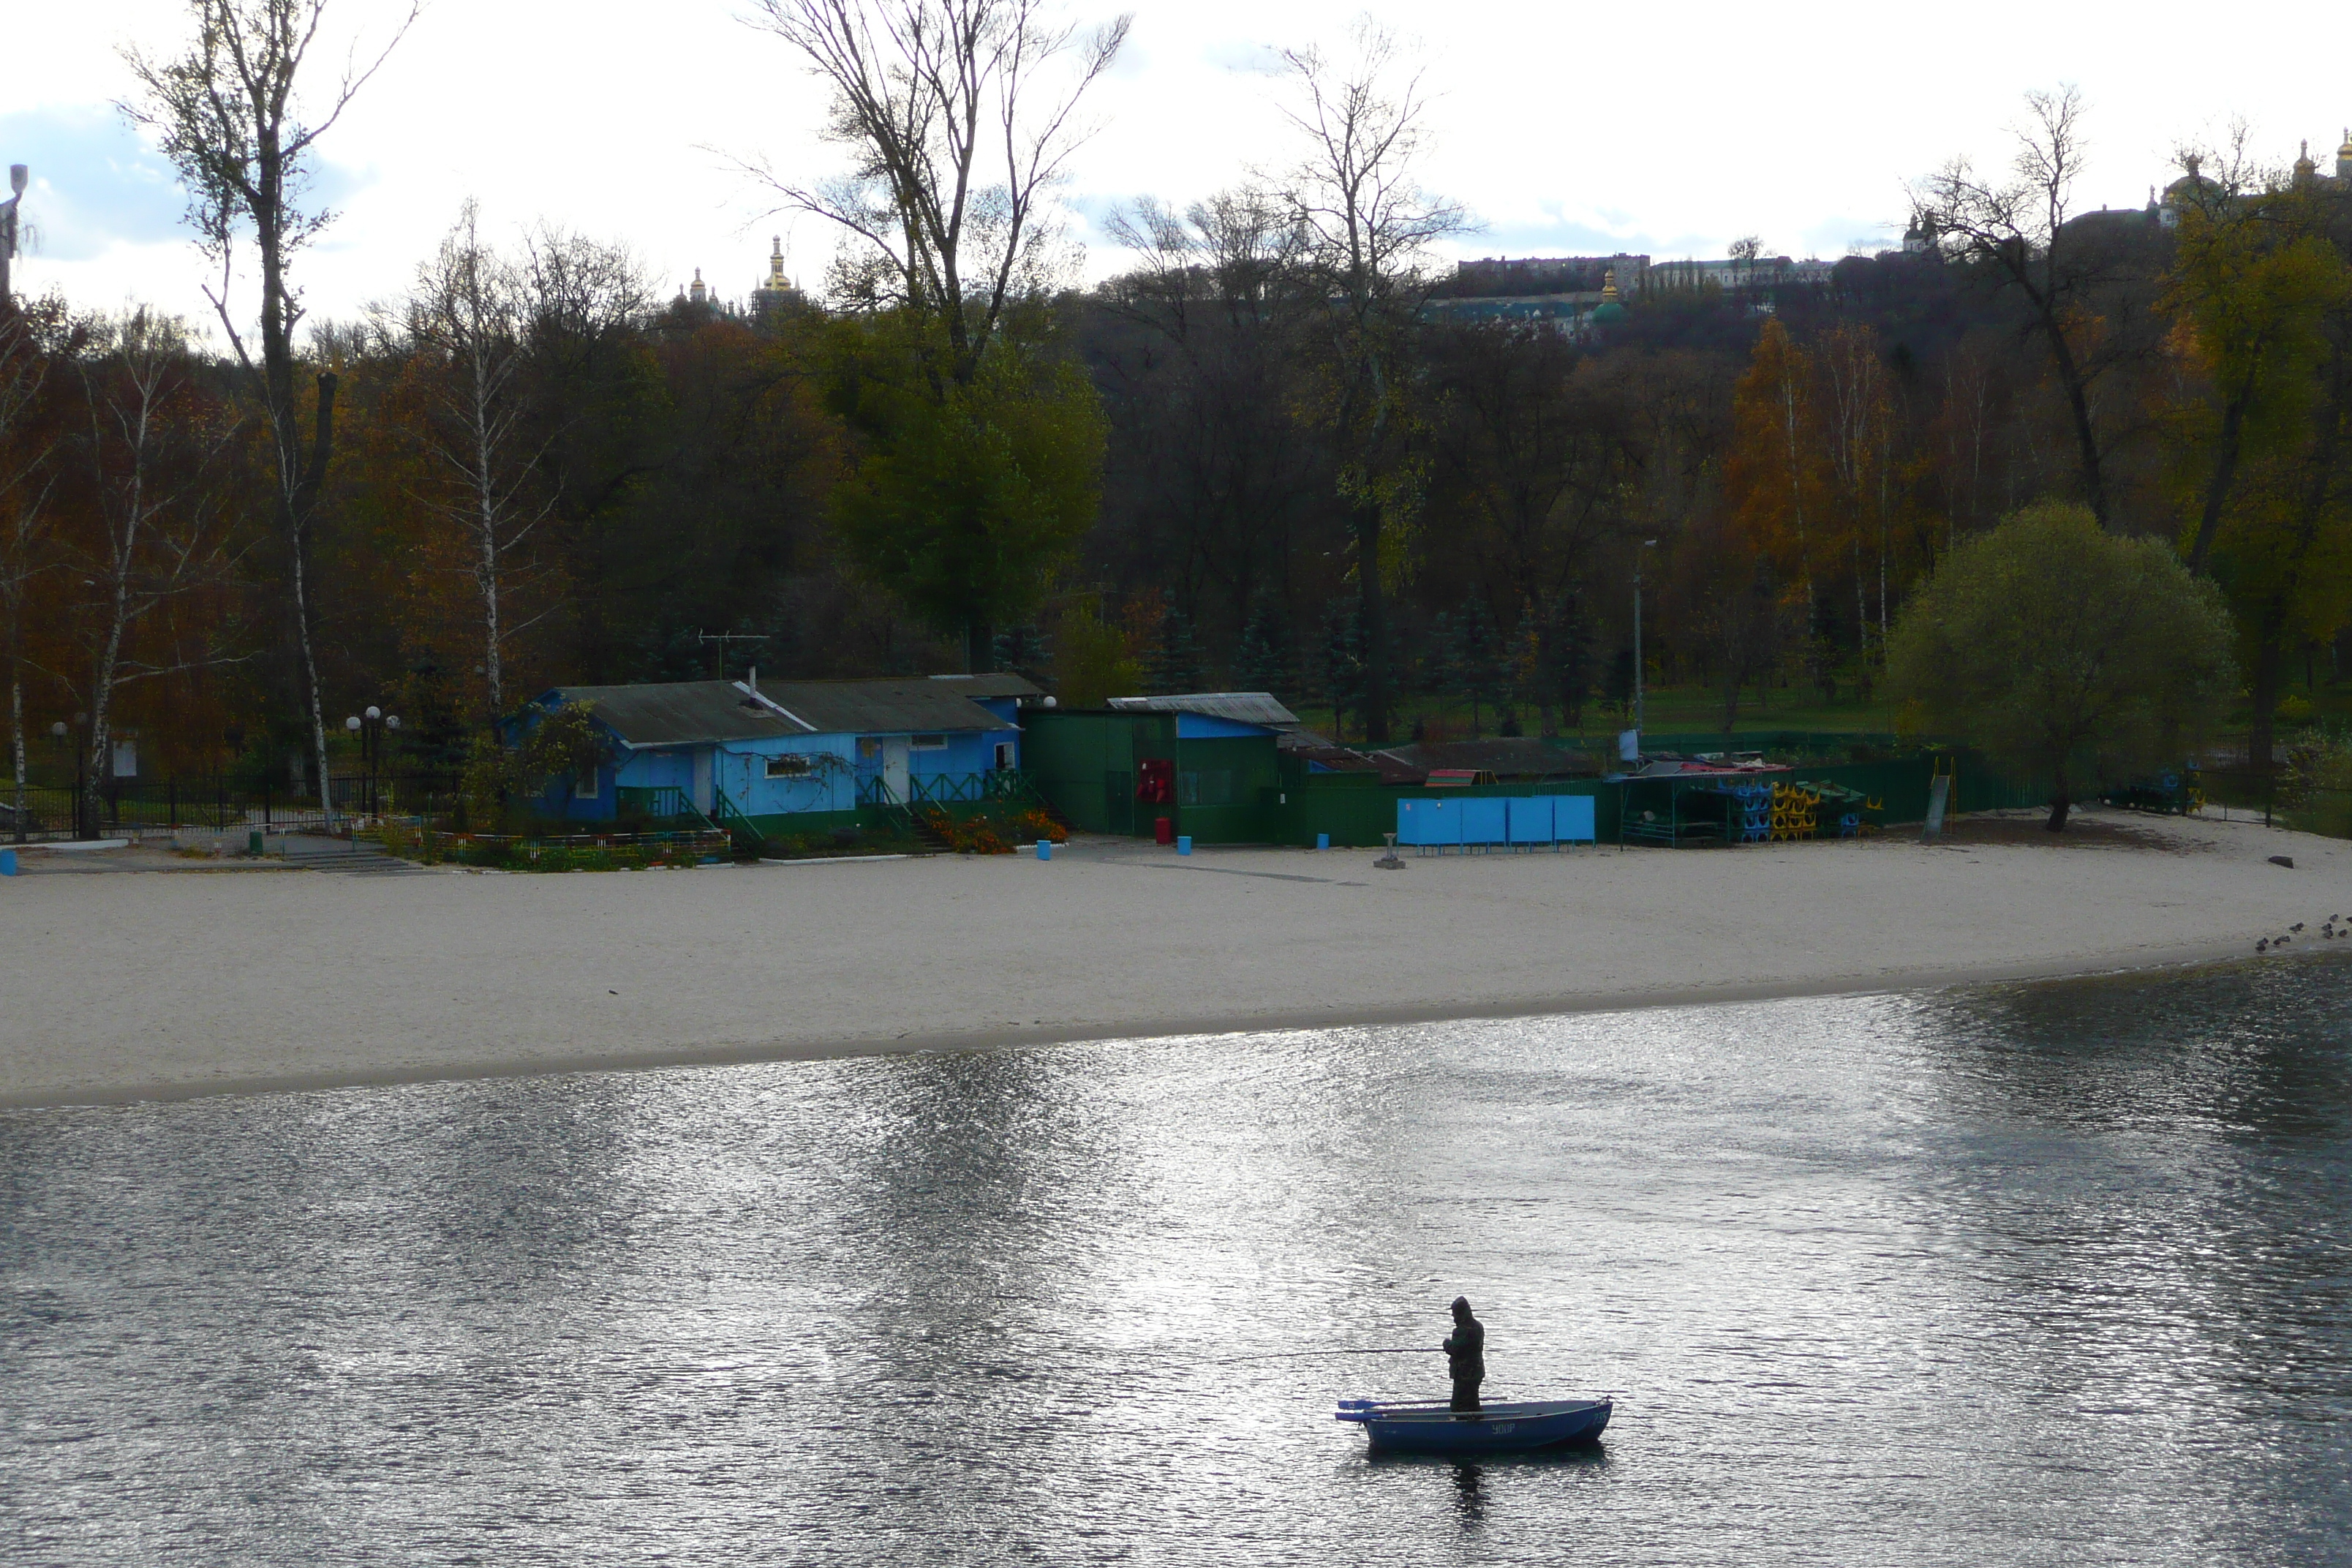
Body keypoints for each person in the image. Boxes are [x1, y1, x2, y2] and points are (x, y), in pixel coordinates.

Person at [1443, 1295, 1485, 1414]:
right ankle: (1477, 1423)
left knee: (1458, 1407)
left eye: (1455, 1314)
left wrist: (1446, 1343)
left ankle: (1466, 1427)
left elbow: (1454, 1349)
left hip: (1464, 1374)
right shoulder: (1478, 1326)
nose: (1454, 1318)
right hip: (1476, 1372)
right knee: (1472, 1402)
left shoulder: (1462, 1331)